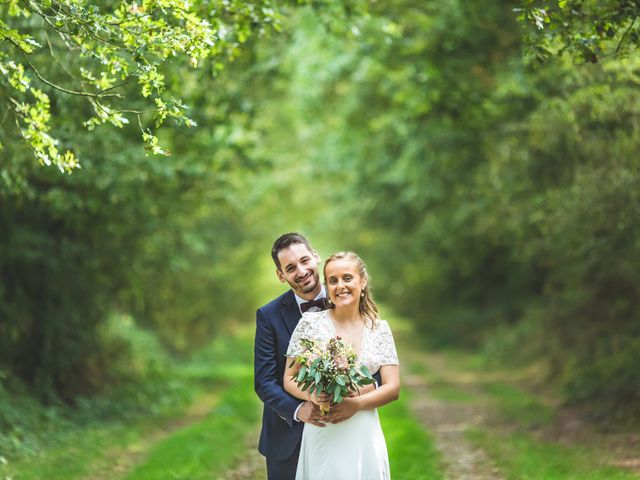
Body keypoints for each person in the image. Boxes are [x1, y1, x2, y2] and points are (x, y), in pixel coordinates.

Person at [254, 234, 377, 479]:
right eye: (290, 268)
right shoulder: (269, 315)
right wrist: (300, 409)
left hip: (344, 432)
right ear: (281, 275)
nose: (301, 271)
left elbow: (375, 365)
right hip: (287, 438)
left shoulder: (348, 302)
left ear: (316, 257)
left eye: (304, 260)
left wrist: (361, 393)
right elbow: (264, 381)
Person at [284, 251, 400, 480]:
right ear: (327, 286)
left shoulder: (379, 328)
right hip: (323, 431)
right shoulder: (310, 323)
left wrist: (356, 404)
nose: (340, 286)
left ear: (362, 281)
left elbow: (393, 387)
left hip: (363, 433)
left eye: (347, 278)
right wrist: (314, 396)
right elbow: (289, 378)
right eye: (333, 280)